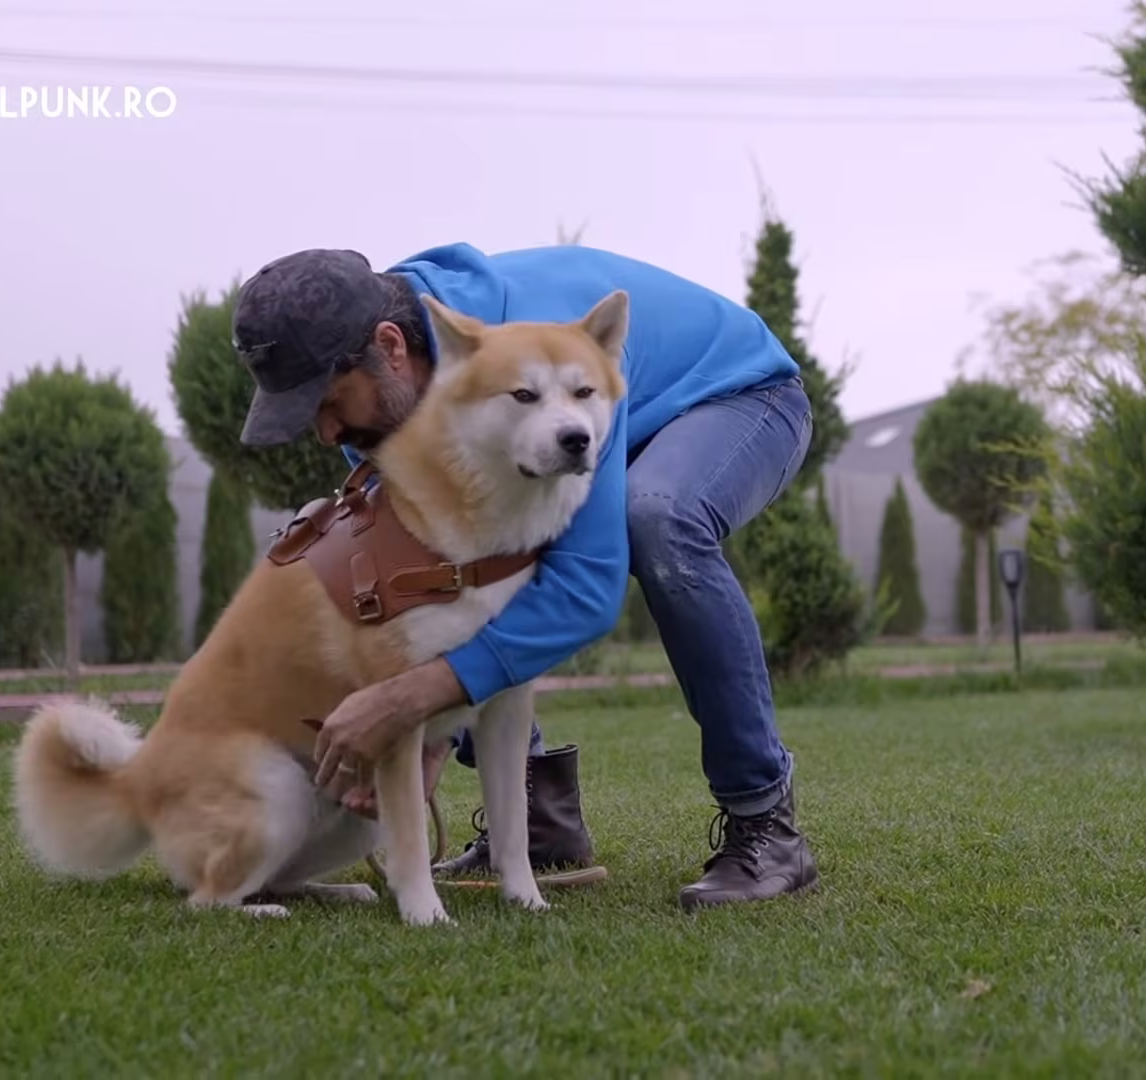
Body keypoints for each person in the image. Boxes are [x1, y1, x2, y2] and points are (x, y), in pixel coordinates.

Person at [233, 243, 818, 910]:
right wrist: (429, 736)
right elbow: (442, 581)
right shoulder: (394, 401)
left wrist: (410, 700)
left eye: (332, 402)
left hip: (740, 397)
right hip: (595, 418)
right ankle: (538, 817)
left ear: (392, 347)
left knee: (656, 518)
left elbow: (588, 588)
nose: (328, 432)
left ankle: (765, 819)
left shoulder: (544, 341)